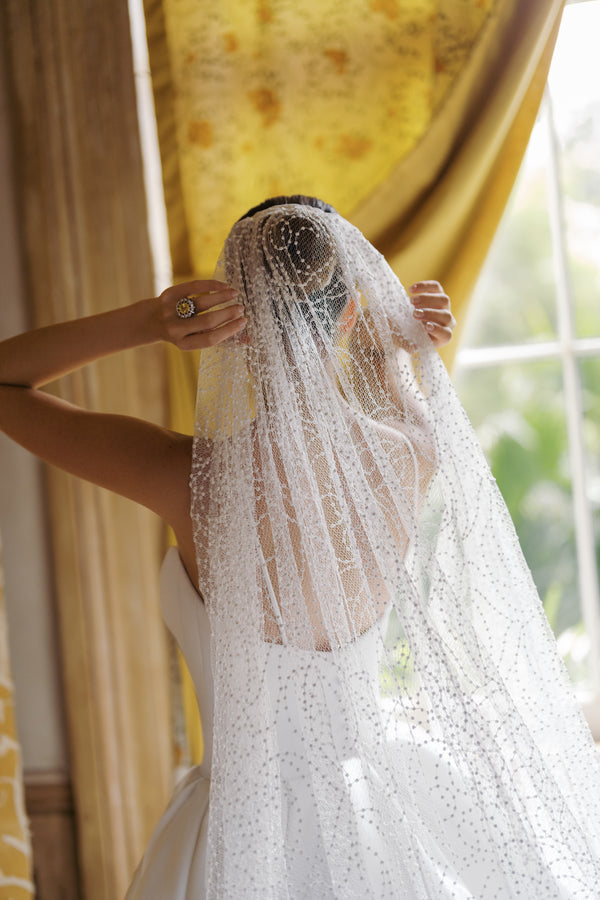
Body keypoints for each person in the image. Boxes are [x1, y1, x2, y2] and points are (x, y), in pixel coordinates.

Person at [1, 195, 599, 899]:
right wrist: (393, 339)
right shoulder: (412, 455)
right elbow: (382, 372)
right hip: (377, 825)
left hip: (236, 841)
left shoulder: (183, 478)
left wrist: (153, 320)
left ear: (231, 323)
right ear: (350, 310)